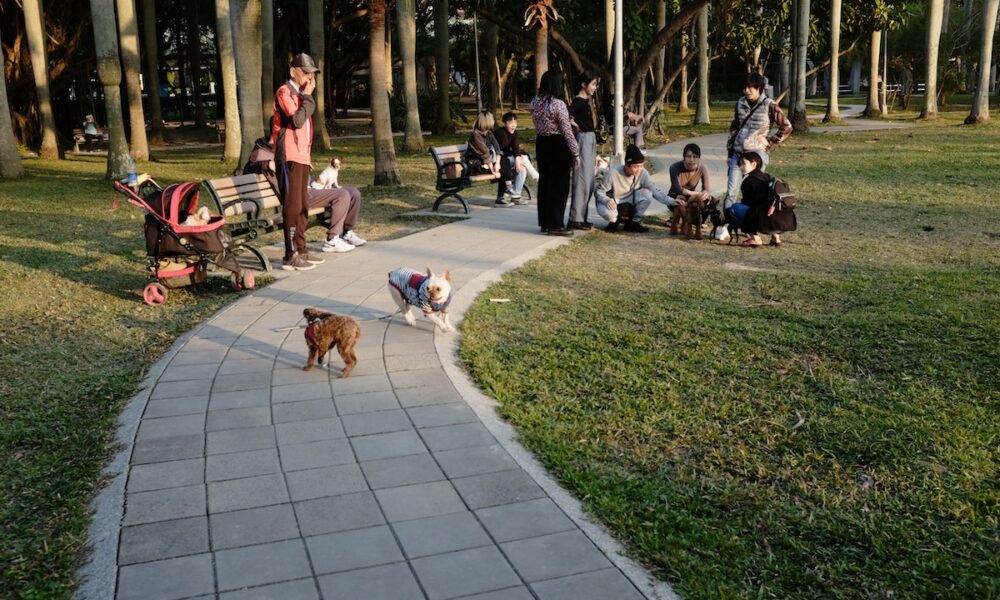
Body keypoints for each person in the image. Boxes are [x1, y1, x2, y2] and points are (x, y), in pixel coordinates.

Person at [242, 138, 368, 254]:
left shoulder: (286, 148)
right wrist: (266, 164)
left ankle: (346, 232)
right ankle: (332, 240)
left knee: (354, 192)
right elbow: (249, 170)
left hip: (309, 188)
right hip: (298, 196)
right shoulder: (261, 152)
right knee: (342, 195)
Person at [272, 53, 324, 271]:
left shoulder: (301, 95)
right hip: (288, 156)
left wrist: (306, 96)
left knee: (302, 205)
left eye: (312, 73)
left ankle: (301, 249)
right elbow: (297, 119)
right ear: (294, 71)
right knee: (292, 206)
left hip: (302, 157)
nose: (310, 77)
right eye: (306, 72)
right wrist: (309, 97)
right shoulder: (285, 92)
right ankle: (290, 254)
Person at [724, 71, 792, 208]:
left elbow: (787, 126)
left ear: (759, 88)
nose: (747, 91)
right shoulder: (739, 103)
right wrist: (730, 153)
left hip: (757, 154)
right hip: (738, 153)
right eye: (745, 87)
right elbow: (734, 129)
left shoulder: (769, 105)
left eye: (750, 87)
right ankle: (727, 223)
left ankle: (754, 222)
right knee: (731, 191)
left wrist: (771, 141)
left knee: (755, 189)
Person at [530, 69, 580, 237]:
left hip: (542, 143)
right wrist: (575, 153)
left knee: (545, 183)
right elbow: (567, 131)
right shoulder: (558, 104)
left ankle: (544, 222)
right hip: (558, 145)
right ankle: (556, 224)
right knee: (559, 186)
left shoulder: (534, 102)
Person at [597, 144, 676, 233]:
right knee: (610, 215)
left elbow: (655, 190)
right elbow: (599, 193)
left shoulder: (643, 173)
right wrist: (606, 200)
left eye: (641, 166)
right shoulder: (613, 172)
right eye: (635, 167)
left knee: (647, 194)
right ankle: (613, 223)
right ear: (626, 165)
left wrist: (672, 201)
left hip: (629, 198)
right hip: (613, 200)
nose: (639, 170)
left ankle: (634, 223)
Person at [568, 71, 599, 230]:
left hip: (590, 140)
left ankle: (581, 217)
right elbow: (566, 116)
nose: (595, 87)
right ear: (583, 84)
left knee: (589, 181)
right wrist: (576, 126)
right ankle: (575, 219)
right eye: (593, 84)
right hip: (583, 140)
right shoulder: (578, 102)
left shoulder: (585, 102)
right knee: (581, 180)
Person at [733, 151, 784, 247]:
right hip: (777, 218)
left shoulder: (748, 181)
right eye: (740, 164)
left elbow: (747, 203)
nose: (741, 167)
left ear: (753, 164)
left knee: (735, 208)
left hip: (761, 217)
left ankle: (754, 238)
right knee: (766, 207)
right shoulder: (768, 177)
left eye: (743, 164)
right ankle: (775, 237)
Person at [494, 112, 538, 205]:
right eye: (510, 123)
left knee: (522, 168)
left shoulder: (514, 133)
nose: (513, 125)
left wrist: (517, 159)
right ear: (505, 123)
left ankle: (516, 196)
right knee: (523, 158)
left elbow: (516, 148)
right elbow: (503, 150)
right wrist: (517, 157)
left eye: (515, 123)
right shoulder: (500, 133)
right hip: (500, 161)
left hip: (508, 159)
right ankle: (536, 176)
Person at [465, 111, 508, 206]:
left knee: (504, 166)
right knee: (503, 171)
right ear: (486, 121)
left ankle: (503, 195)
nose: (493, 121)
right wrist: (493, 170)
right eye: (491, 120)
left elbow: (497, 148)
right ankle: (504, 194)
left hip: (487, 164)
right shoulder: (476, 135)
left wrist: (497, 164)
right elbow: (485, 154)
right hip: (476, 165)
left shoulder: (489, 133)